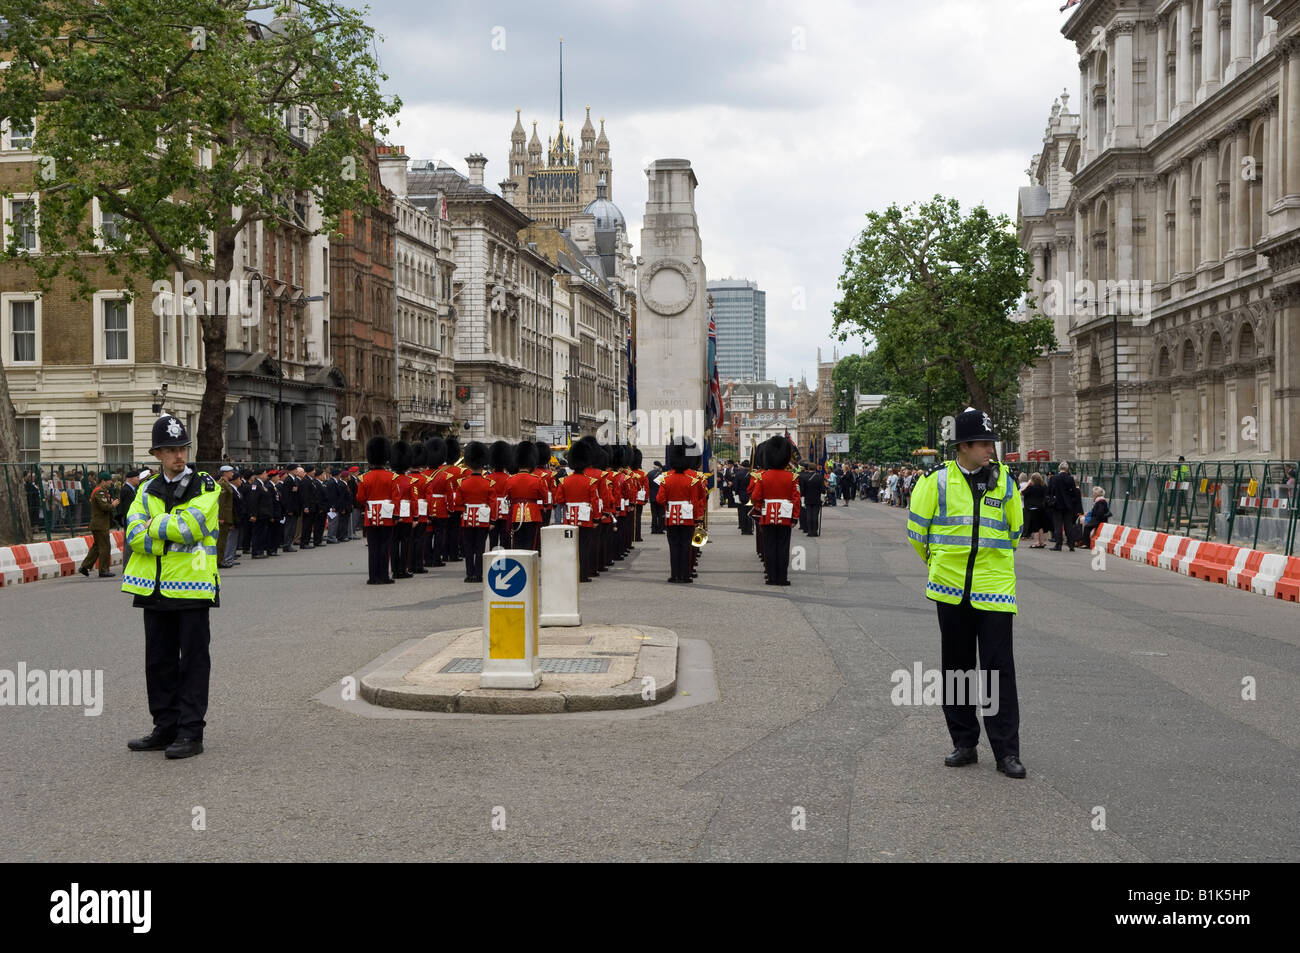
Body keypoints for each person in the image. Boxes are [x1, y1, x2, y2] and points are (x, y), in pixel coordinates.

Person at [906, 406, 1025, 779]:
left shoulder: (1005, 481)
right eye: (985, 443)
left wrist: (992, 567)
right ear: (964, 445)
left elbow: (1015, 531)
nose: (991, 449)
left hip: (994, 589)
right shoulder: (935, 481)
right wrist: (939, 564)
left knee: (997, 668)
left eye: (992, 442)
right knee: (957, 668)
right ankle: (964, 743)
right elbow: (917, 533)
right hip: (951, 588)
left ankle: (1006, 751)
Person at [122, 413, 221, 760]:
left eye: (182, 448)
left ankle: (191, 731)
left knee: (193, 662)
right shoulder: (146, 489)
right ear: (156, 454)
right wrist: (164, 530)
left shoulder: (206, 486)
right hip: (154, 589)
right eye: (171, 450)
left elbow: (192, 526)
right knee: (158, 661)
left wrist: (154, 526)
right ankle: (165, 726)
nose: (179, 455)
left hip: (193, 589)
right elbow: (132, 534)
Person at [749, 437, 800, 585]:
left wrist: (760, 506)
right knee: (783, 547)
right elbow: (796, 498)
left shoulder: (762, 477)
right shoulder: (792, 477)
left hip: (767, 515)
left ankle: (771, 577)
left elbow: (755, 497)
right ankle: (782, 577)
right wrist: (795, 517)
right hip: (785, 515)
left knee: (769, 546)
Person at [356, 437, 396, 584]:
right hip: (386, 515)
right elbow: (395, 498)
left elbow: (360, 498)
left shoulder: (364, 478)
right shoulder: (391, 477)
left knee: (373, 548)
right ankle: (384, 576)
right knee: (385, 547)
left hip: (371, 515)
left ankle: (373, 577)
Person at [657, 439, 698, 584]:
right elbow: (695, 501)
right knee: (686, 545)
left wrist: (670, 503)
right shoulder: (691, 480)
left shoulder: (666, 479)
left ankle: (675, 575)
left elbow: (660, 499)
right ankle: (685, 575)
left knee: (674, 545)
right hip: (687, 517)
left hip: (672, 517)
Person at [454, 441, 494, 583]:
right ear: (483, 464)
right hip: (483, 520)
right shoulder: (488, 483)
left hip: (467, 519)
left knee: (468, 548)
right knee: (480, 547)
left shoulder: (462, 483)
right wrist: (492, 521)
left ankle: (469, 574)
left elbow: (457, 504)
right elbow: (492, 504)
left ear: (469, 464)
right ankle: (478, 574)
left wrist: (465, 510)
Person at [78, 471, 118, 577]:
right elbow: (105, 507)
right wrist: (113, 505)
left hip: (99, 524)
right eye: (109, 481)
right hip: (100, 524)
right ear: (103, 481)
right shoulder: (99, 492)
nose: (111, 483)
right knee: (105, 547)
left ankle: (85, 567)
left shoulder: (102, 491)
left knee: (97, 547)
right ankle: (103, 570)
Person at [1049, 462, 1081, 552]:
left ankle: (1058, 544)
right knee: (1068, 526)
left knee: (1058, 525)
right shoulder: (1070, 479)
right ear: (1067, 469)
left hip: (1056, 505)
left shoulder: (1054, 478)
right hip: (1068, 506)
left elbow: (1050, 491)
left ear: (1059, 468)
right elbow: (1073, 493)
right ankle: (1071, 545)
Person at [1021, 471, 1050, 548]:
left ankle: (1036, 542)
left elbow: (1021, 492)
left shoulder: (1031, 487)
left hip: (1033, 508)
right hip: (1042, 507)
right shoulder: (1044, 487)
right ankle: (1041, 542)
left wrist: (1027, 484)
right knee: (1041, 525)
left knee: (1035, 526)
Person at [1082, 486, 1112, 550]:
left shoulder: (1100, 502)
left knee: (1087, 527)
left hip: (1098, 519)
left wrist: (1093, 517)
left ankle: (1086, 543)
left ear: (1096, 494)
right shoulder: (1101, 501)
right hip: (1099, 519)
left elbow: (1099, 513)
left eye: (1093, 493)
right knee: (1086, 524)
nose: (1093, 495)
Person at [800, 461, 824, 537]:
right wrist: (822, 498)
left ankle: (810, 531)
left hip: (807, 498)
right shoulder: (820, 477)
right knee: (815, 515)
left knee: (809, 515)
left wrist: (802, 499)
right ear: (815, 468)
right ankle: (815, 531)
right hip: (817, 498)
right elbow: (823, 489)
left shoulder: (804, 477)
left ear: (808, 468)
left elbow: (802, 490)